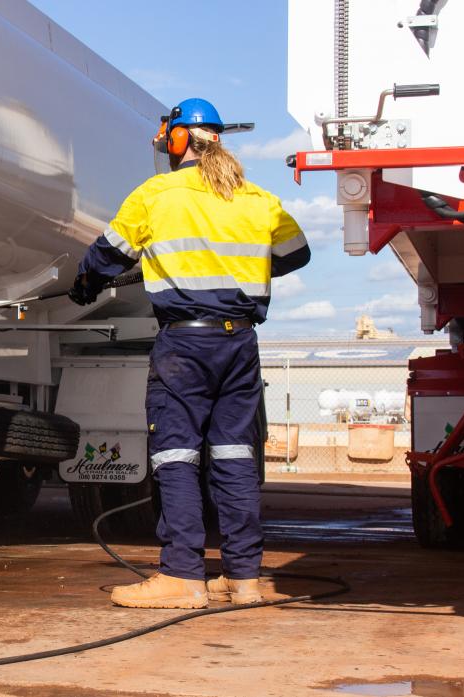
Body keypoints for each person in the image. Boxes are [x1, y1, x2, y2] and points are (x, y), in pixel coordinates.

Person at [70, 98, 309, 609]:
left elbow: (107, 255)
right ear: (217, 139)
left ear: (177, 140)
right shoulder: (256, 198)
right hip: (240, 342)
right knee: (235, 457)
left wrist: (86, 283)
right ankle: (244, 579)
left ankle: (183, 575)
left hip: (186, 345)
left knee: (176, 455)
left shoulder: (156, 196)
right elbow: (296, 253)